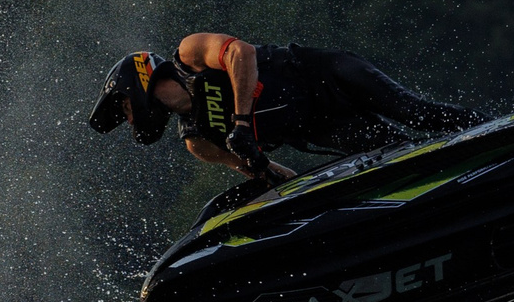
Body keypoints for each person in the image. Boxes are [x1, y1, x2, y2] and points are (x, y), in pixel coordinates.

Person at [86, 35, 474, 209]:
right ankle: (464, 187)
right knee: (398, 154)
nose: (128, 117)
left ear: (136, 84)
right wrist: (262, 171)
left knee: (415, 112)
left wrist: (240, 125)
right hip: (321, 125)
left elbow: (241, 53)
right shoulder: (199, 142)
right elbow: (279, 177)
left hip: (324, 73)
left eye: (123, 107)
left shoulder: (189, 54)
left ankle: (503, 126)